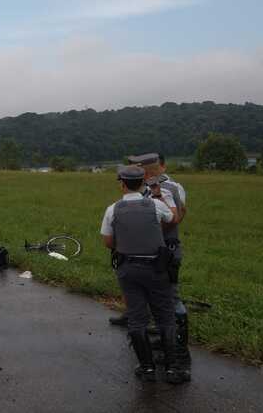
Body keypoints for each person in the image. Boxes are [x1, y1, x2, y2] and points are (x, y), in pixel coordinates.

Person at [101, 165, 186, 384]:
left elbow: (108, 241)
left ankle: (147, 368)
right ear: (142, 183)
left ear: (122, 184)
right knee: (165, 317)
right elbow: (173, 220)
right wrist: (160, 195)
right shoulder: (156, 205)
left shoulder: (112, 209)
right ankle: (173, 369)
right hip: (156, 268)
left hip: (128, 269)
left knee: (137, 318)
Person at [134, 153, 191, 380]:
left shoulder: (165, 189)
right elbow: (183, 211)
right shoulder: (164, 187)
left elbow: (175, 217)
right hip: (161, 248)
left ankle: (179, 350)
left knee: (172, 298)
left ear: (147, 171)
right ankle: (163, 341)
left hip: (165, 250)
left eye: (139, 167)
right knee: (159, 298)